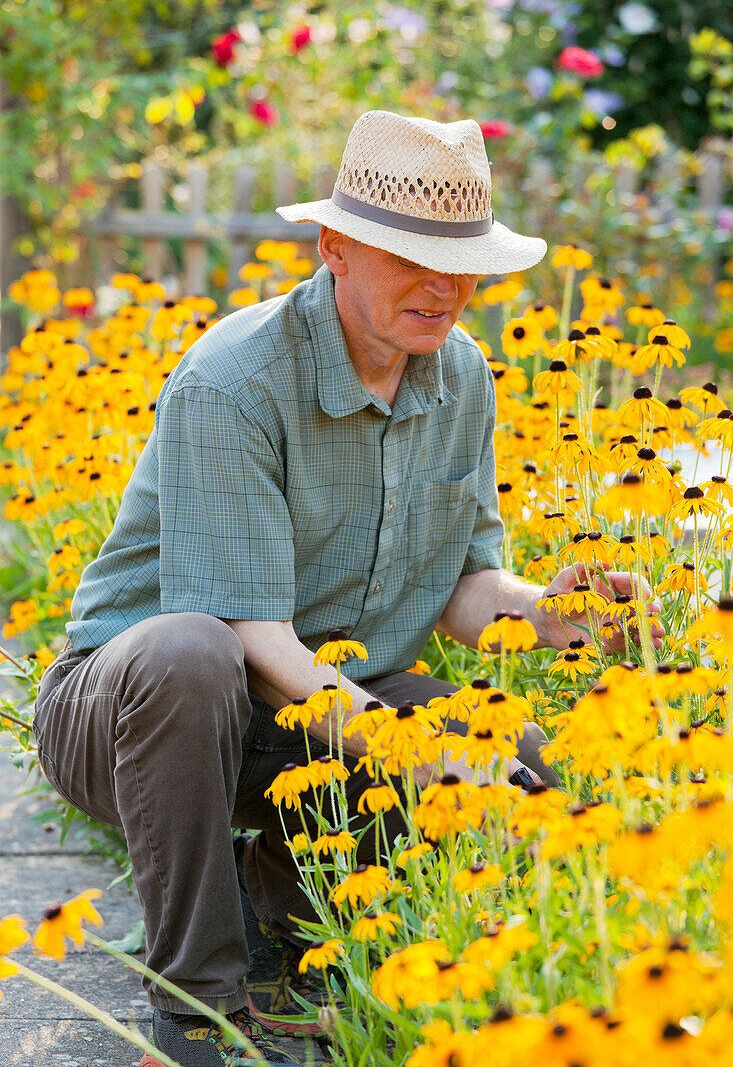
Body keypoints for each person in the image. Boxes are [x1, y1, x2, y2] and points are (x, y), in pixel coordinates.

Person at [33, 110, 661, 1067]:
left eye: (463, 261)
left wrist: (555, 614)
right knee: (189, 648)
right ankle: (197, 1001)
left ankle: (282, 886)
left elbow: (461, 586)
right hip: (136, 712)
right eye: (411, 258)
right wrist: (416, 756)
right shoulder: (233, 380)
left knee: (513, 748)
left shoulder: (462, 375)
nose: (444, 285)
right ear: (335, 247)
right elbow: (253, 642)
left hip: (310, 712)